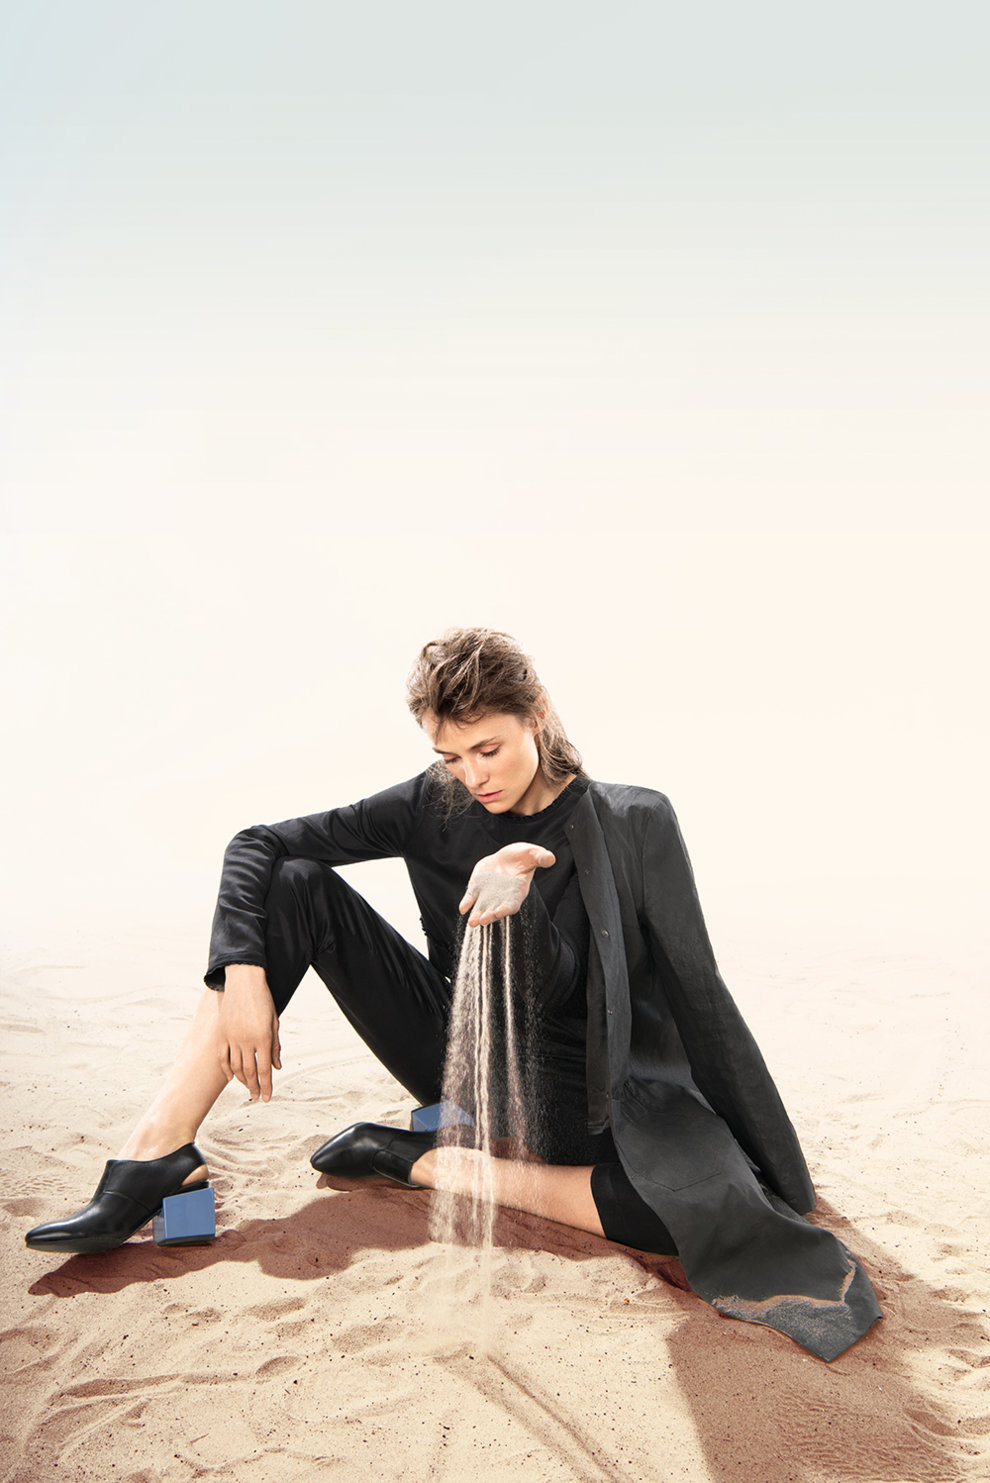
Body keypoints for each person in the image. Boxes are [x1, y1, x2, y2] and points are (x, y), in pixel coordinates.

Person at [26, 628, 881, 1361]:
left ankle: (429, 1161)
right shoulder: (431, 804)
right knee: (291, 884)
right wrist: (242, 967)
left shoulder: (634, 820)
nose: (473, 776)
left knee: (685, 1211)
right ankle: (157, 1150)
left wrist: (517, 899)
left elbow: (688, 990)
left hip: (580, 1095)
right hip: (462, 1052)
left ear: (535, 715)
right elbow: (259, 841)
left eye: (488, 749)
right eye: (450, 756)